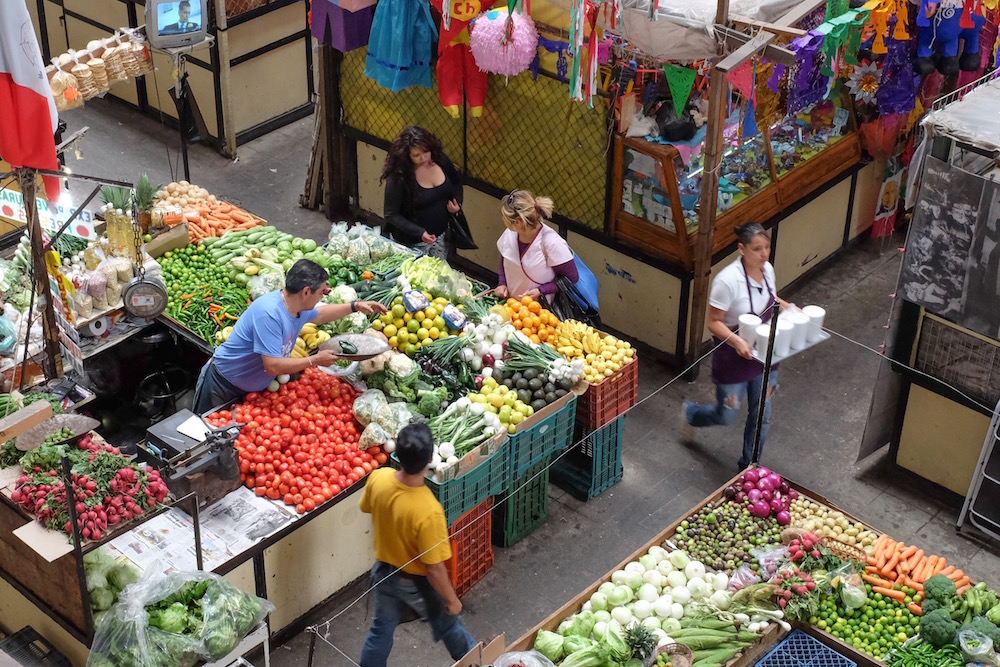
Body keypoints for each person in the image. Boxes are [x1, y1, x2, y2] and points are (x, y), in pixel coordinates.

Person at [191, 259, 387, 413]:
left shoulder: (298, 307)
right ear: (306, 291)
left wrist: (355, 307)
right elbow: (272, 366)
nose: (323, 296)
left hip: (251, 389)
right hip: (223, 385)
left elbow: (321, 315)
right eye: (322, 292)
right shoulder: (270, 314)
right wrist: (313, 360)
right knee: (200, 439)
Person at [359, 423, 476, 667]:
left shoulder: (378, 478)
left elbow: (367, 506)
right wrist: (452, 600)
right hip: (416, 583)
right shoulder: (428, 510)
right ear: (431, 458)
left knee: (380, 631)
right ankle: (476, 662)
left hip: (383, 573)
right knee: (449, 625)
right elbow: (434, 568)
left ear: (397, 454)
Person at [680, 223, 791, 470]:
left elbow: (771, 299)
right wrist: (738, 341)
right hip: (734, 357)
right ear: (741, 249)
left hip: (765, 354)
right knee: (726, 414)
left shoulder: (768, 270)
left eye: (766, 248)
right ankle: (691, 414)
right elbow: (713, 322)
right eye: (756, 249)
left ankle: (749, 467)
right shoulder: (727, 281)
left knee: (761, 414)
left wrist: (788, 307)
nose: (764, 254)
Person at [381, 127, 462, 260]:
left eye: (425, 152)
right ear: (407, 156)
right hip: (410, 242)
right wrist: (420, 233)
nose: (423, 158)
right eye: (416, 155)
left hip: (440, 238)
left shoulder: (440, 160)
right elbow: (391, 213)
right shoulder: (399, 177)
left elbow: (456, 182)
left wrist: (457, 203)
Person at [495, 190, 579, 302]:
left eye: (505, 218)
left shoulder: (552, 243)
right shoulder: (510, 233)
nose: (503, 220)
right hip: (511, 305)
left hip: (539, 311)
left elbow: (572, 277)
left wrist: (542, 290)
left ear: (519, 222)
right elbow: (506, 257)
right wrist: (502, 283)